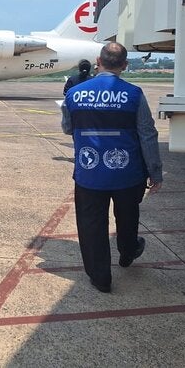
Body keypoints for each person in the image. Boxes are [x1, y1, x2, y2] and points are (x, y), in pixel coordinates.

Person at [61, 42, 162, 293]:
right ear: (125, 65)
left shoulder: (75, 93)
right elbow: (147, 134)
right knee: (128, 216)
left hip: (89, 172)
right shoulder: (134, 94)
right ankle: (128, 251)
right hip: (128, 174)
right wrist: (155, 171)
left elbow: (67, 128)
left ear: (99, 60)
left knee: (91, 223)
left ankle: (100, 277)